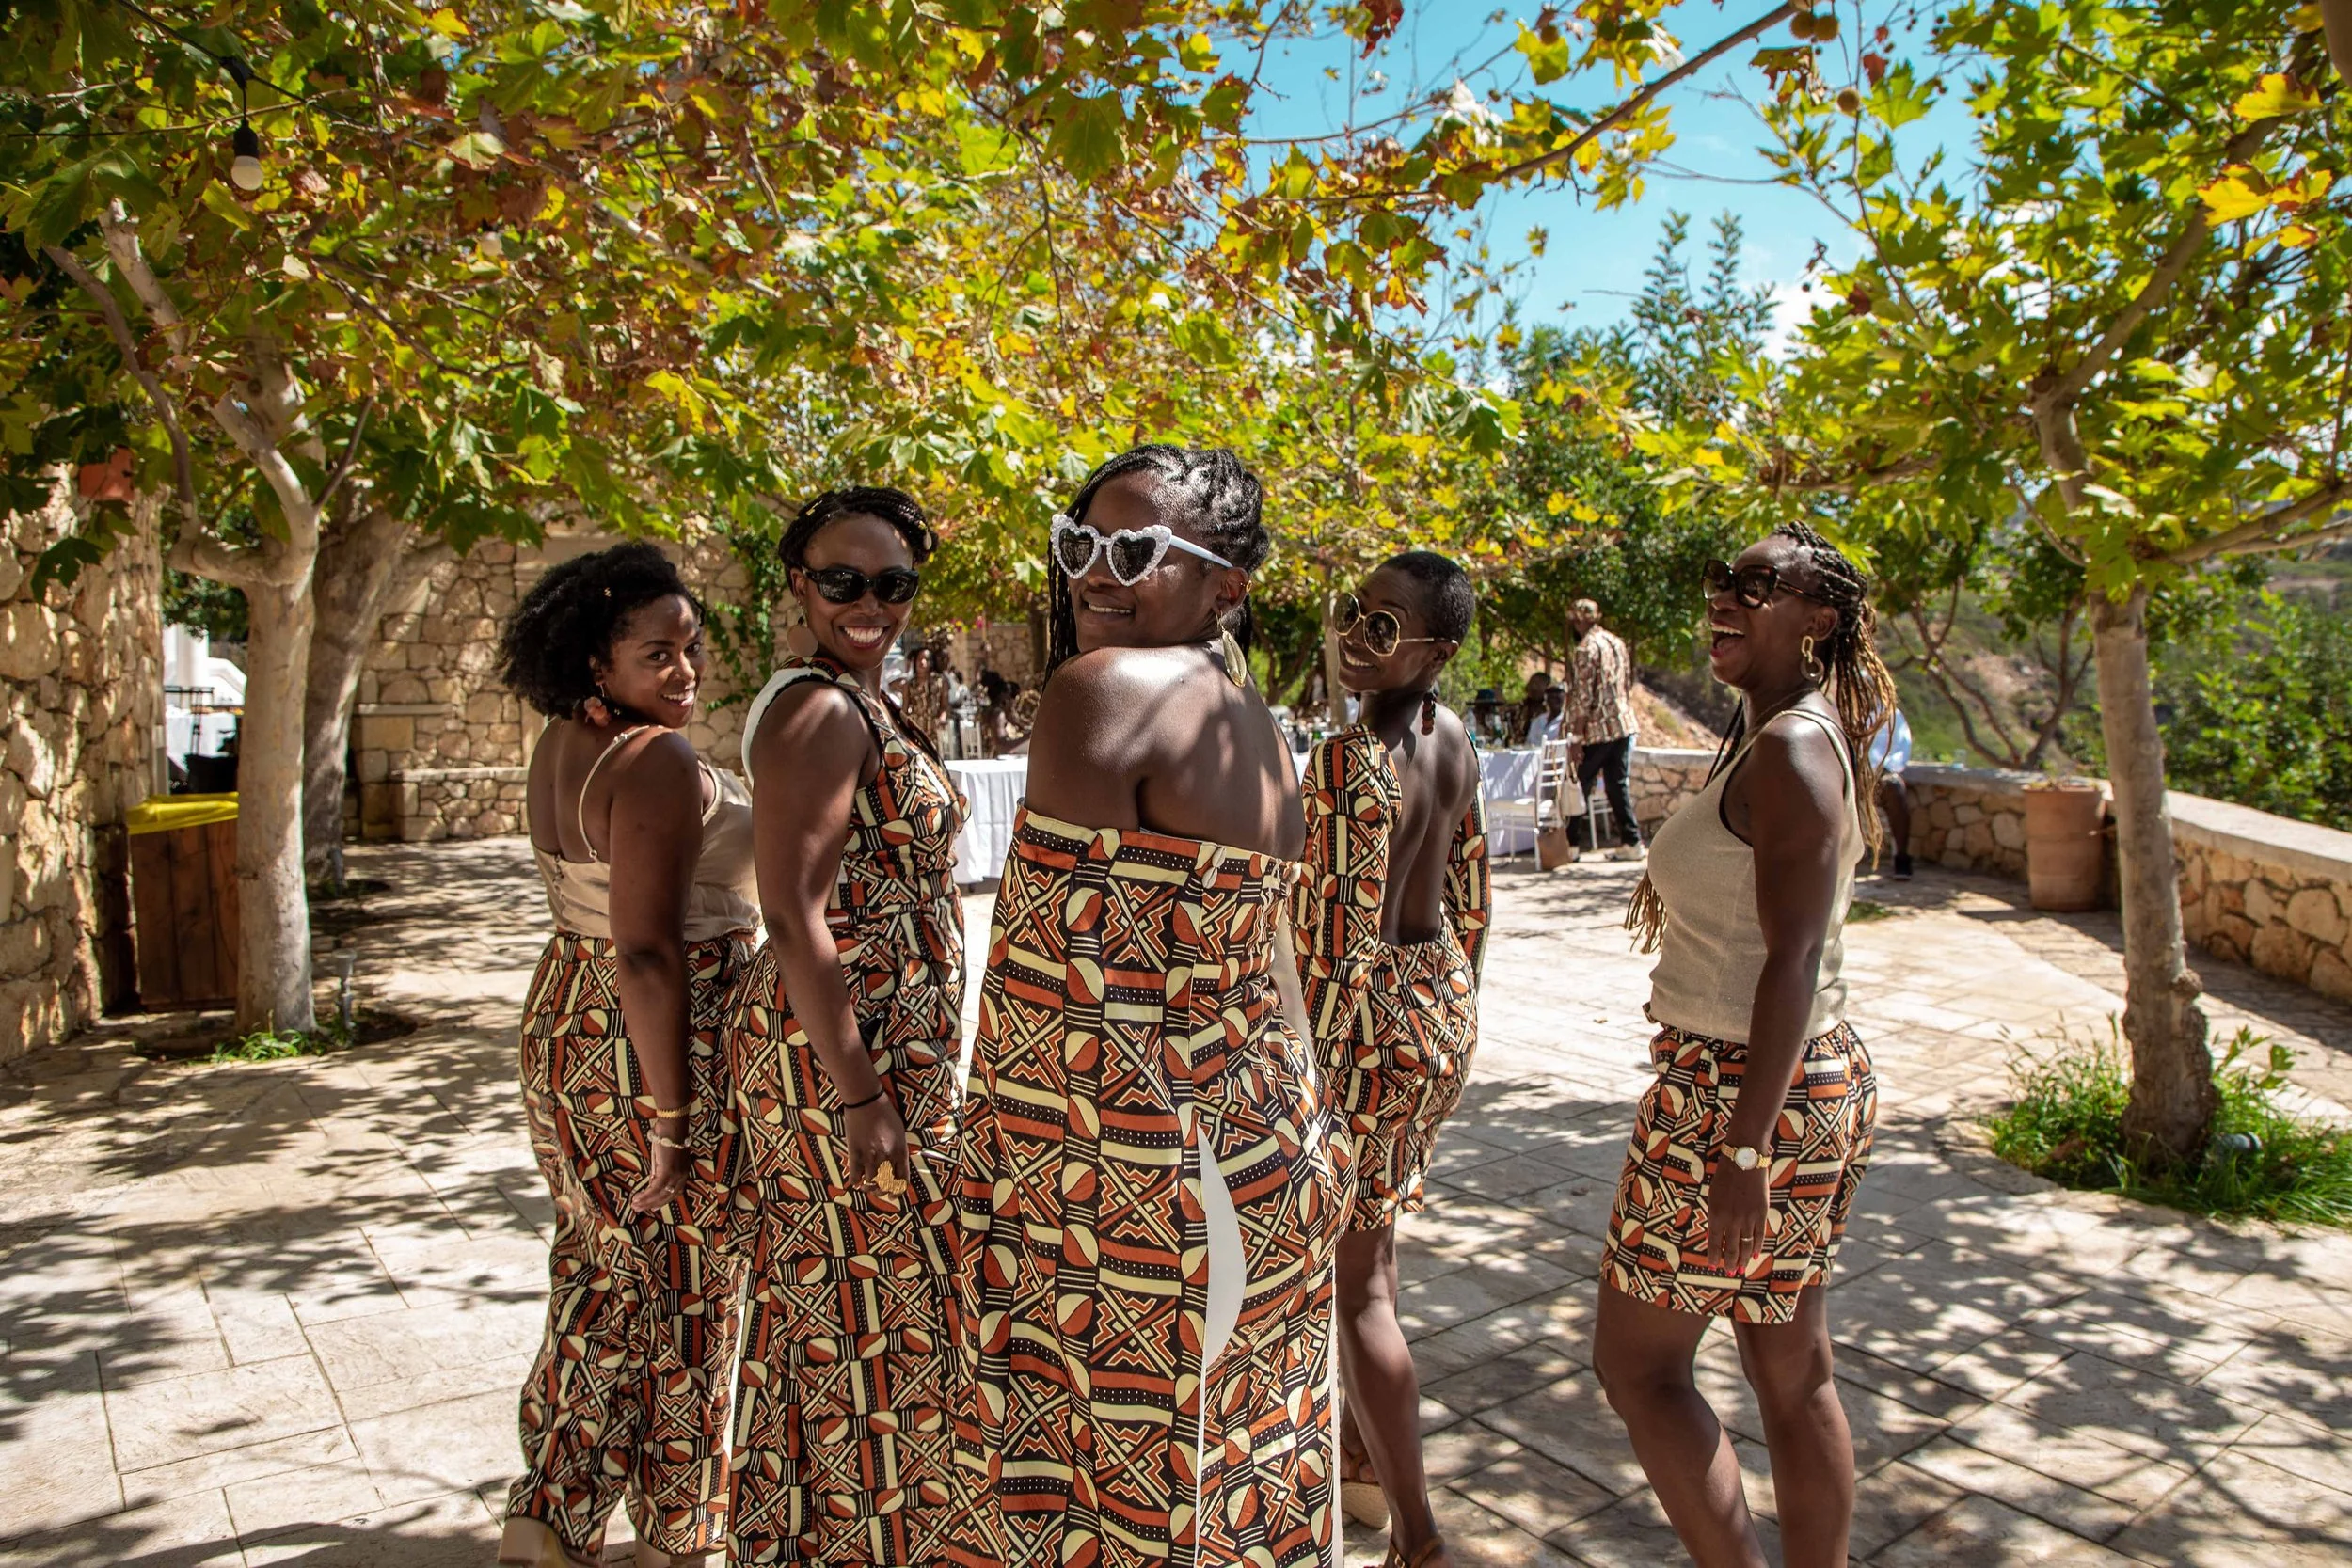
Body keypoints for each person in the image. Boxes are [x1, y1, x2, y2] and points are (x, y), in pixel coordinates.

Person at [950, 445, 1339, 1568]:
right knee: (1225, 1490)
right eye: (1079, 546)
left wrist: (990, 1189)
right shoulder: (1254, 724)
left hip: (1140, 1179)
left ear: (1227, 585)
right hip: (1259, 1150)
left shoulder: (1099, 691)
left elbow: (1036, 989)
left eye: (1134, 550)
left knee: (1114, 1512)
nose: (1093, 574)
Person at [1596, 524, 1894, 1568]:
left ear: (1819, 618)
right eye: (1721, 580)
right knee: (1785, 1362)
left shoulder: (1791, 745)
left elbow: (1794, 957)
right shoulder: (1777, 730)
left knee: (1639, 1365)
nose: (1725, 598)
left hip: (1741, 1089)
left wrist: (1745, 1151)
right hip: (1781, 1078)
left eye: (1757, 586)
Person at [495, 543, 757, 1568]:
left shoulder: (562, 741)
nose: (685, 670)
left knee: (599, 1266)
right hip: (651, 1037)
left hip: (567, 1012)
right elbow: (649, 948)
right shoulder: (653, 760)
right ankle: (677, 1533)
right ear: (596, 662)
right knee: (689, 1280)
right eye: (658, 653)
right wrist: (674, 1120)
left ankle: (547, 1514)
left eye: (692, 647)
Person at [726, 488, 966, 1565]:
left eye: (892, 584)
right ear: (798, 586)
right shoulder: (821, 711)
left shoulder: (856, 699)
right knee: (876, 1323)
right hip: (843, 1064)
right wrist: (864, 1092)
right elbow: (791, 910)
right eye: (841, 582)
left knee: (834, 1316)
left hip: (871, 1055)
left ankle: (803, 1539)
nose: (869, 603)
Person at [1295, 552, 1490, 1568]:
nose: (1357, 639)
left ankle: (1419, 1535)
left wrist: (1307, 1085)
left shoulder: (1346, 759)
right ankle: (1366, 1467)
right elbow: (1470, 888)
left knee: (1356, 1281)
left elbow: (1333, 942)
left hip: (1364, 1025)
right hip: (1436, 1001)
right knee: (1375, 1249)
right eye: (1355, 616)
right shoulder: (1451, 735)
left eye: (1385, 627)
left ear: (1439, 649)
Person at [1565, 597, 1645, 860]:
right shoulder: (1616, 642)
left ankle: (1571, 844)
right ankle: (1631, 841)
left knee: (1580, 782)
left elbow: (1583, 696)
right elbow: (1626, 682)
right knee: (1615, 783)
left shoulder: (1586, 649)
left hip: (1598, 729)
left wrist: (1576, 735)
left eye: (1577, 618)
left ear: (1582, 619)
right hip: (1622, 722)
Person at [1872, 706, 1914, 879]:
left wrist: (1884, 768)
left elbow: (1901, 747)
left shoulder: (1892, 715)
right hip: (1851, 773)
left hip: (1881, 774)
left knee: (1895, 789)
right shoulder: (1843, 710)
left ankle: (1901, 858)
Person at [1511, 670, 1553, 745]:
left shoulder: (1550, 710)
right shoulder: (1521, 706)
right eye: (1532, 683)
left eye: (1538, 684)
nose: (1534, 687)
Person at [1525, 681, 1569, 750]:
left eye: (1557, 695)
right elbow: (1528, 743)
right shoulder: (1538, 721)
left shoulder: (1566, 722)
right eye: (1551, 695)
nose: (1554, 697)